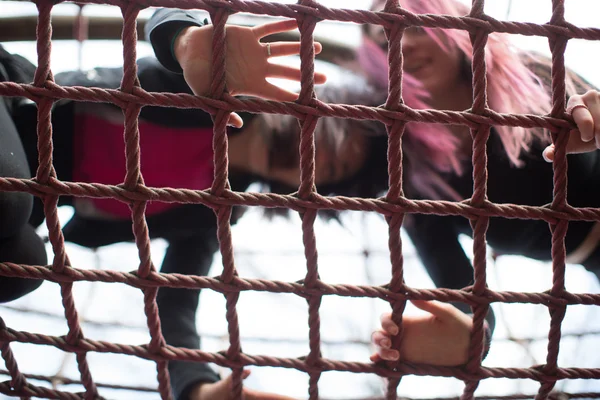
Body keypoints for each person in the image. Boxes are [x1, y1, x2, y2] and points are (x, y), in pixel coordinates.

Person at [0, 7, 492, 399]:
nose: (317, 154)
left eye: (333, 169)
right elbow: (168, 18)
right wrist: (189, 42)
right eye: (334, 135)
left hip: (31, 201)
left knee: (20, 265)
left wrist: (197, 388)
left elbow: (174, 305)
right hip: (13, 105)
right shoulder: (220, 91)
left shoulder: (213, 209)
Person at [353, 0, 600, 333]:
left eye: (417, 27)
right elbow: (468, 308)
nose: (403, 44)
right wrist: (461, 340)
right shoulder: (410, 175)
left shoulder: (530, 77)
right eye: (385, 43)